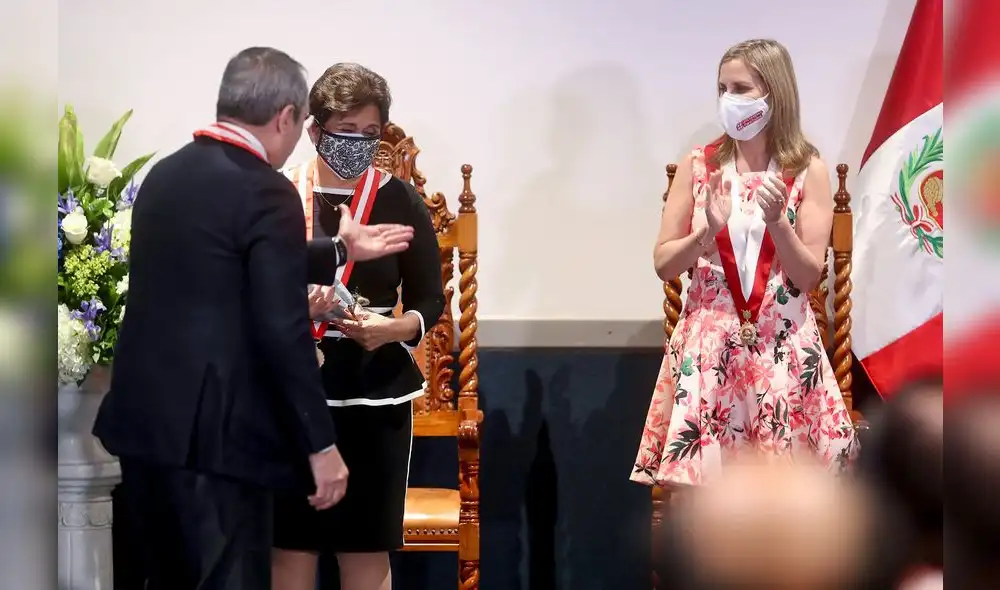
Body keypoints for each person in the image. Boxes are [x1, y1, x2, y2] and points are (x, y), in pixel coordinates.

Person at [92, 47, 415, 590]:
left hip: (143, 429)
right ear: (287, 117)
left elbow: (226, 257)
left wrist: (337, 247)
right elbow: (281, 328)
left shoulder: (165, 177)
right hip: (216, 438)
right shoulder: (266, 190)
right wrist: (320, 444)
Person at [631, 39, 857, 489]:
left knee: (788, 501)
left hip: (783, 348)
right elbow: (663, 263)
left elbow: (809, 275)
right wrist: (705, 233)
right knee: (707, 509)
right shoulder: (699, 166)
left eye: (740, 87)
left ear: (774, 93)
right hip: (710, 348)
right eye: (721, 87)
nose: (727, 99)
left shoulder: (807, 168)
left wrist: (778, 224)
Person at [271, 63, 444, 590]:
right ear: (314, 130)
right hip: (291, 395)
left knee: (365, 553)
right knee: (290, 550)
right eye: (347, 133)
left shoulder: (400, 200)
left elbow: (429, 301)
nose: (359, 146)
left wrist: (391, 330)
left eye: (371, 136)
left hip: (373, 395)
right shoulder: (276, 194)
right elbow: (246, 292)